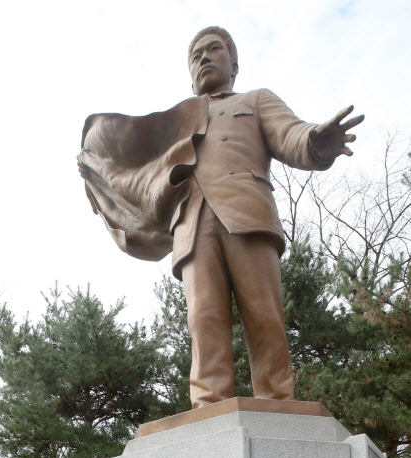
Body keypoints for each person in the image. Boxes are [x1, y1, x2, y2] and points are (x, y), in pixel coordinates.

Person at [78, 25, 364, 408]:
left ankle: (277, 401)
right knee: (204, 321)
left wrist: (316, 140)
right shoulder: (176, 121)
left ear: (235, 64)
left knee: (263, 315)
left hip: (247, 216)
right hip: (192, 226)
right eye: (196, 55)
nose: (204, 58)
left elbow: (291, 134)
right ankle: (208, 408)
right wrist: (100, 168)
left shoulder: (256, 100)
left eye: (214, 50)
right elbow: (138, 169)